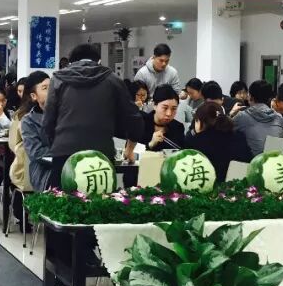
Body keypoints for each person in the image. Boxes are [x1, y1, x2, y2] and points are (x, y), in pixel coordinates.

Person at [43, 43, 143, 188]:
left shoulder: (58, 79)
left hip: (64, 153)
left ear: (71, 62)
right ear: (99, 61)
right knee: (100, 199)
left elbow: (48, 120)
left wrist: (56, 143)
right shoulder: (113, 80)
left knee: (62, 199)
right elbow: (134, 117)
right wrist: (130, 149)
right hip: (101, 153)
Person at [185, 101, 249, 181]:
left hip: (209, 184)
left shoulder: (196, 141)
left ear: (201, 121)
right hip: (238, 183)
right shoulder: (239, 136)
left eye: (196, 121)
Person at [18, 71, 53, 195]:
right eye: (45, 88)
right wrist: (63, 152)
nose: (51, 90)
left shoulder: (66, 114)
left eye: (52, 86)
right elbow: (36, 153)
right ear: (34, 96)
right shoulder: (28, 121)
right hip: (45, 173)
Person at [233, 81, 283, 157]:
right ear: (269, 99)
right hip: (276, 161)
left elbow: (224, 129)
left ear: (250, 97)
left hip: (254, 162)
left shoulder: (242, 117)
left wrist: (231, 113)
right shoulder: (279, 117)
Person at [137, 85, 187, 153]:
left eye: (174, 109)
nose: (169, 114)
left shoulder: (178, 127)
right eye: (165, 108)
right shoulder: (141, 123)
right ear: (154, 105)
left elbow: (182, 153)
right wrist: (150, 144)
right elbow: (131, 153)